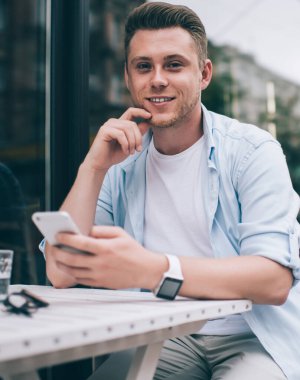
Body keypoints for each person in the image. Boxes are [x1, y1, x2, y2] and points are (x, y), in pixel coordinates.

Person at [44, 2, 300, 379]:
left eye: (174, 64)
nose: (157, 79)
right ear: (129, 78)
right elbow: (62, 272)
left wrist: (154, 270)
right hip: (162, 336)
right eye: (143, 66)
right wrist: (93, 166)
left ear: (204, 74)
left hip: (250, 335)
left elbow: (273, 280)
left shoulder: (252, 151)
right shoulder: (118, 162)